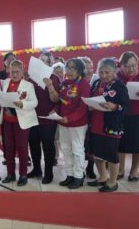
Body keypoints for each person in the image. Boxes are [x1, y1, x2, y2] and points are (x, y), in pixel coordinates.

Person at [45, 58, 90, 189]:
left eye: (73, 68)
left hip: (78, 124)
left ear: (80, 70)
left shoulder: (84, 84)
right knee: (65, 149)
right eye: (68, 68)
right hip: (63, 123)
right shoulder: (64, 83)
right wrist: (54, 112)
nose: (69, 71)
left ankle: (78, 176)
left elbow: (83, 108)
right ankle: (70, 175)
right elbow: (59, 101)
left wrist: (69, 119)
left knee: (77, 150)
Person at [87, 58, 130, 192]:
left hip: (111, 126)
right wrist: (90, 106)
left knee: (111, 155)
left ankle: (112, 182)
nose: (104, 75)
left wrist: (115, 106)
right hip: (95, 124)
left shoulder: (119, 86)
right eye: (101, 72)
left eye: (107, 72)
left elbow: (127, 107)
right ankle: (102, 178)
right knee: (96, 154)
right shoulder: (95, 83)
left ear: (115, 71)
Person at [0, 60, 38, 186]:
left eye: (17, 72)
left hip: (22, 121)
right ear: (8, 71)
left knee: (22, 148)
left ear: (22, 72)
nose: (14, 74)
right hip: (7, 120)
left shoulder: (28, 85)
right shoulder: (5, 83)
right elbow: (0, 98)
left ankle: (23, 175)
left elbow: (34, 102)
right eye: (12, 72)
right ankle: (10, 174)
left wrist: (23, 104)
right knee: (8, 148)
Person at [117, 51, 139, 182]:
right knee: (120, 144)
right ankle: (120, 170)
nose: (131, 69)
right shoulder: (116, 76)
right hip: (121, 114)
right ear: (121, 66)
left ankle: (134, 171)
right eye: (127, 66)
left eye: (134, 65)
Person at [28, 53, 60, 184]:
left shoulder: (54, 77)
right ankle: (36, 169)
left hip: (48, 118)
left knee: (48, 145)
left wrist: (50, 86)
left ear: (50, 64)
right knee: (33, 144)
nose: (43, 63)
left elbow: (56, 99)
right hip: (33, 117)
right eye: (40, 61)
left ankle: (48, 173)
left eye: (46, 61)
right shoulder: (32, 78)